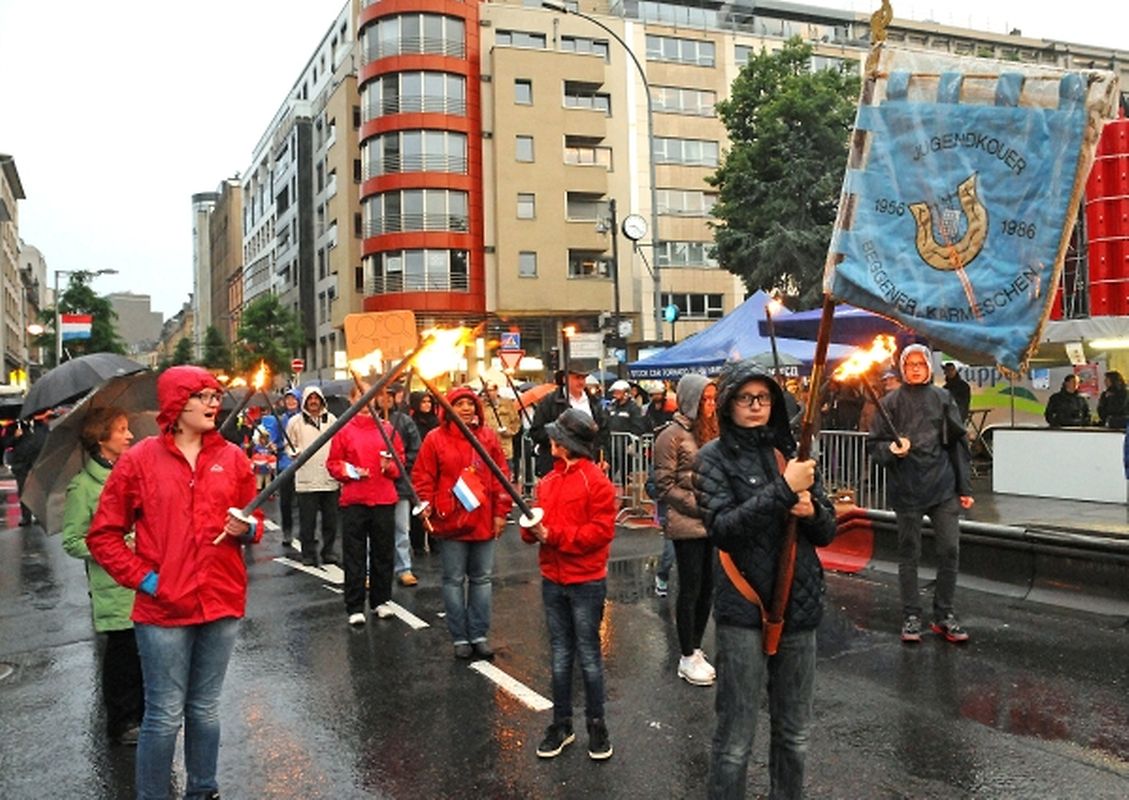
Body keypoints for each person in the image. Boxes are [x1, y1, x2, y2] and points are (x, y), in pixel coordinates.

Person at [87, 365, 261, 800]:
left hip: (221, 602)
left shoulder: (233, 458)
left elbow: (253, 518)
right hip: (162, 610)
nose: (212, 403)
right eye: (201, 395)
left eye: (214, 395)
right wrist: (146, 580)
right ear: (175, 405)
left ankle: (203, 790)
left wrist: (250, 529)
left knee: (204, 709)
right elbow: (103, 536)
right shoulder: (139, 461)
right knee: (163, 714)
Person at [694, 360, 835, 799]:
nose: (756, 406)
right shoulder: (711, 459)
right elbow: (723, 528)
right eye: (745, 398)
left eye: (764, 398)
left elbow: (827, 530)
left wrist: (811, 510)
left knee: (794, 735)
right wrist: (783, 491)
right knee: (735, 740)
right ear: (728, 404)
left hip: (799, 608)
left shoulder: (791, 454)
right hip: (744, 610)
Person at [522, 408, 617, 761]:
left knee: (589, 657)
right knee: (561, 655)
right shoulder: (547, 481)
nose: (549, 441)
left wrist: (553, 535)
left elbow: (600, 532)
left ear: (565, 444)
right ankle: (561, 724)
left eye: (555, 437)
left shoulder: (598, 482)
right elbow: (535, 524)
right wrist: (530, 529)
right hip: (552, 579)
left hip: (586, 581)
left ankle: (597, 724)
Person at [868, 345, 974, 645]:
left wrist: (964, 488)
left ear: (929, 367)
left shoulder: (943, 398)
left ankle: (944, 615)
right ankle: (912, 616)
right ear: (902, 368)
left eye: (920, 363)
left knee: (949, 551)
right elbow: (874, 447)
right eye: (909, 364)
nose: (915, 368)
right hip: (907, 489)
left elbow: (957, 444)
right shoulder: (889, 403)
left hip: (942, 488)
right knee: (909, 554)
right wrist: (890, 449)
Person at [61, 406, 143, 745]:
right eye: (122, 430)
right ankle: (122, 722)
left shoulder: (130, 475)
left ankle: (142, 715)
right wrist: (116, 545)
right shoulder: (82, 487)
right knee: (122, 654)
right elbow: (72, 541)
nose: (130, 435)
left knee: (144, 651)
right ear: (101, 438)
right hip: (112, 584)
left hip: (142, 578)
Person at [412, 386, 512, 659]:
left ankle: (479, 634)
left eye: (470, 403)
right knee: (453, 579)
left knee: (481, 579)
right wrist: (426, 507)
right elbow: (423, 478)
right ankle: (460, 638)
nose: (467, 408)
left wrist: (501, 511)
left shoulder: (488, 438)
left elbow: (501, 476)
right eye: (460, 404)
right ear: (449, 410)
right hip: (451, 519)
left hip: (483, 520)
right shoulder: (434, 439)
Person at [653, 374, 719, 687]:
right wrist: (700, 505)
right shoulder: (671, 435)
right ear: (691, 400)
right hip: (687, 523)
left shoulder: (712, 431)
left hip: (712, 522)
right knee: (691, 587)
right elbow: (665, 484)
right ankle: (686, 653)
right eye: (705, 399)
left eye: (713, 399)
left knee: (708, 587)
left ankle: (696, 647)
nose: (711, 405)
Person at [326, 380, 405, 626]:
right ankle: (355, 605)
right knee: (354, 555)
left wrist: (389, 467)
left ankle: (381, 600)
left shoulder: (388, 428)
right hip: (354, 500)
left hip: (383, 498)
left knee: (383, 552)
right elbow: (333, 463)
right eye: (359, 395)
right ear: (351, 400)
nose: (364, 401)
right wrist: (351, 471)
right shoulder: (343, 430)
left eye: (369, 396)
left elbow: (401, 462)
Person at [286, 386, 340, 567]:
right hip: (306, 479)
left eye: (317, 398)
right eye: (310, 398)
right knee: (307, 521)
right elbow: (289, 445)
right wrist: (293, 453)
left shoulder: (332, 420)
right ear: (305, 401)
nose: (314, 401)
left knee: (330, 520)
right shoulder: (295, 422)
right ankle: (308, 553)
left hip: (328, 479)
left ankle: (329, 551)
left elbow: (338, 443)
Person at [377, 382, 422, 587]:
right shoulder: (370, 421)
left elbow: (415, 449)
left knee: (401, 529)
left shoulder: (404, 421)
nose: (385, 399)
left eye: (389, 395)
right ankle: (373, 570)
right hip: (375, 485)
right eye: (381, 395)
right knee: (375, 530)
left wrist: (399, 463)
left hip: (400, 485)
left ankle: (404, 568)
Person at [529, 363, 608, 477]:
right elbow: (537, 431)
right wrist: (560, 441)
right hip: (557, 466)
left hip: (587, 465)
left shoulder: (594, 402)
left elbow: (603, 433)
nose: (581, 382)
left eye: (583, 378)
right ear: (564, 378)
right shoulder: (550, 402)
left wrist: (603, 457)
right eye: (577, 378)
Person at [261, 389, 302, 546]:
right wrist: (273, 444)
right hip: (285, 464)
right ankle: (287, 531)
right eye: (288, 400)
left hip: (301, 464)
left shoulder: (304, 419)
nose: (291, 403)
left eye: (294, 400)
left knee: (304, 503)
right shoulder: (281, 420)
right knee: (285, 501)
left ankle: (306, 533)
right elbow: (276, 440)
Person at [10, 412, 49, 525]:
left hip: (37, 462)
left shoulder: (42, 426)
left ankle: (38, 515)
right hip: (21, 463)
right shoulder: (14, 427)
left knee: (38, 489)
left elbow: (45, 440)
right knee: (23, 489)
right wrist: (15, 437)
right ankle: (26, 516)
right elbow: (5, 443)